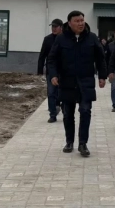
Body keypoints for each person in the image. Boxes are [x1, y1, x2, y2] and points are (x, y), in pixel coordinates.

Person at [46, 11, 107, 157]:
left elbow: (100, 58)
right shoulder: (61, 39)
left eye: (82, 20)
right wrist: (53, 75)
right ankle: (69, 141)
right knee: (68, 114)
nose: (80, 23)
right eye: (77, 21)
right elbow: (52, 59)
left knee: (85, 111)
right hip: (67, 82)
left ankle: (83, 143)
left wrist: (102, 76)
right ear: (69, 23)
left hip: (86, 81)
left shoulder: (92, 38)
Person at [37, 18, 64, 123]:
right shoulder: (47, 39)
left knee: (63, 92)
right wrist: (40, 70)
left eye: (56, 26)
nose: (53, 28)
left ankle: (64, 110)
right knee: (51, 92)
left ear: (61, 27)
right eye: (52, 26)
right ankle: (52, 114)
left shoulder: (65, 38)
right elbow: (42, 55)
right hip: (51, 71)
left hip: (64, 71)